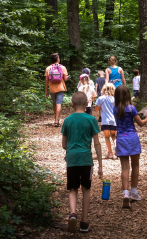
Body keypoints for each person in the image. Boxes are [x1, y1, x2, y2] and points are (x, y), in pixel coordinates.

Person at [62, 92, 103, 233]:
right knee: (86, 189)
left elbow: (64, 145)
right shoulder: (91, 120)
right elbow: (97, 144)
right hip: (86, 159)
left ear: (71, 104)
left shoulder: (67, 120)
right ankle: (84, 223)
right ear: (87, 104)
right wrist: (101, 165)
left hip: (72, 158)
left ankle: (73, 214)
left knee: (73, 188)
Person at [113, 85, 147, 208]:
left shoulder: (115, 109)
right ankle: (134, 191)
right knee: (135, 165)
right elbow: (141, 124)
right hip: (132, 138)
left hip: (121, 139)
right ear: (128, 95)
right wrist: (146, 116)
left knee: (124, 168)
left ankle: (125, 193)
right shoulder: (131, 108)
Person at [45, 53, 70, 127]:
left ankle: (56, 118)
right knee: (59, 103)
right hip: (60, 88)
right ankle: (57, 121)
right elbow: (65, 79)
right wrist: (68, 77)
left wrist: (46, 90)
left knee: (54, 103)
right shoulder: (63, 67)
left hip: (52, 88)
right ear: (57, 59)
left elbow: (46, 80)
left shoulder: (48, 68)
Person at [95, 83, 116, 159]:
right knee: (113, 136)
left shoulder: (101, 98)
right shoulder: (115, 99)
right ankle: (116, 147)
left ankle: (110, 153)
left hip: (105, 121)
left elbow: (96, 109)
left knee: (107, 137)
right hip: (114, 121)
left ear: (103, 89)